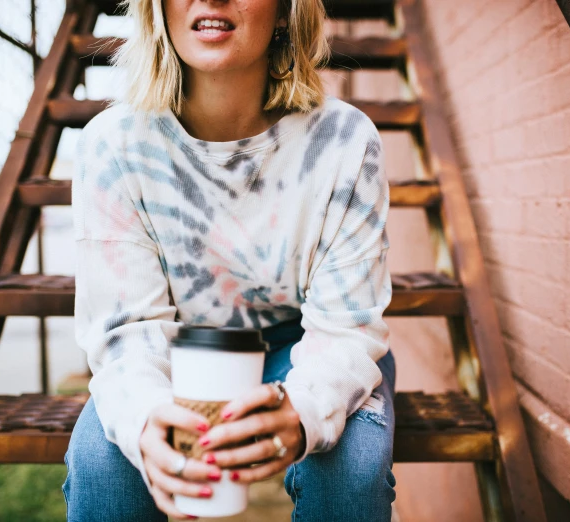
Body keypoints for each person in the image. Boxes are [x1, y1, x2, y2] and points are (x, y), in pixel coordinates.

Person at [62, 0, 396, 519]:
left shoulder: (345, 141)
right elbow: (128, 333)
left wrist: (304, 413)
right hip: (173, 348)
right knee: (103, 465)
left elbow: (346, 331)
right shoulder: (114, 144)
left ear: (286, 11)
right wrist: (148, 419)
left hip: (307, 340)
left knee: (353, 468)